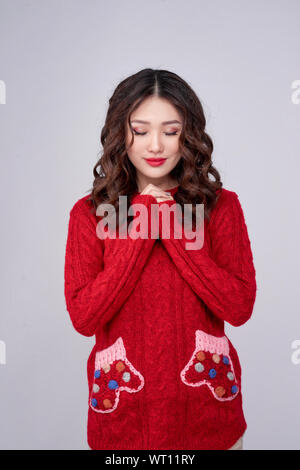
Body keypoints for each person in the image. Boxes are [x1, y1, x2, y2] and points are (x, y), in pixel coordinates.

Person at [64, 68, 256, 450]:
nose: (156, 145)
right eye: (140, 130)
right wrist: (142, 225)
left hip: (208, 421)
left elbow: (238, 307)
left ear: (190, 135)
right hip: (123, 424)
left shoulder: (220, 207)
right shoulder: (89, 213)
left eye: (171, 131)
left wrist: (174, 231)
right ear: (120, 132)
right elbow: (84, 317)